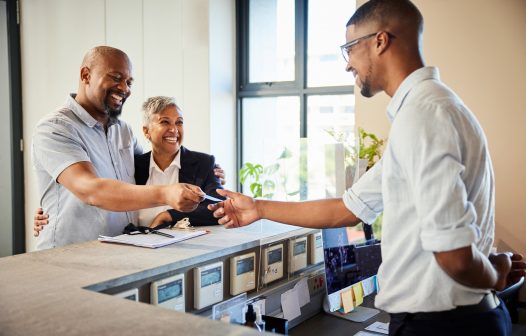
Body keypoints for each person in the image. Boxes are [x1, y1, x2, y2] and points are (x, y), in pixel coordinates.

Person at [209, 1, 526, 335]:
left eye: (349, 48)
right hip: (450, 319)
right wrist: (257, 208)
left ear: (380, 41)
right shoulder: (428, 112)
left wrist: (497, 271)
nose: (347, 65)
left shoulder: (424, 117)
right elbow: (347, 208)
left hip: (442, 325)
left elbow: (455, 257)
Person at [32, 46, 204, 250]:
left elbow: (152, 170)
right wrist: (166, 194)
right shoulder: (55, 128)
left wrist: (205, 172)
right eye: (116, 77)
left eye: (129, 82)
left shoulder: (124, 132)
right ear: (86, 75)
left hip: (121, 249)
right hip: (68, 255)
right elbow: (91, 190)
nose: (124, 88)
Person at [134, 96, 224, 228]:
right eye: (165, 122)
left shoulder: (204, 163)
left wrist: (169, 215)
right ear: (146, 131)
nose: (174, 129)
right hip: (135, 246)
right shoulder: (134, 166)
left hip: (185, 247)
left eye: (179, 122)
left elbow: (220, 206)